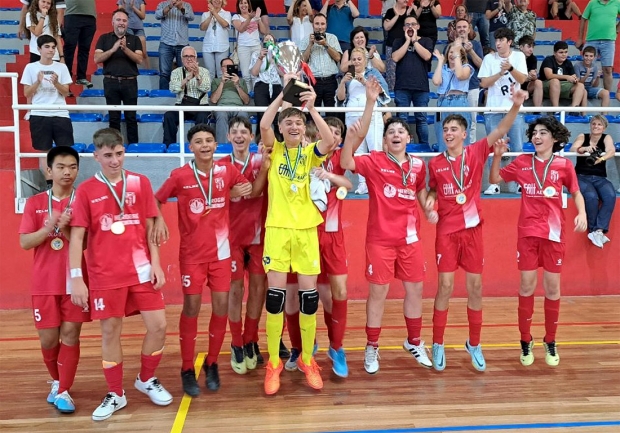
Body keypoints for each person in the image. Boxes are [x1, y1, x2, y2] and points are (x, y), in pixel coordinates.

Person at [69, 128, 172, 421]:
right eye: (108, 155)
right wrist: (77, 277)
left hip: (141, 270)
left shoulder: (140, 183)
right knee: (110, 332)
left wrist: (156, 263)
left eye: (119, 154)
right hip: (105, 275)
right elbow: (77, 237)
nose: (115, 160)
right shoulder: (87, 190)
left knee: (159, 325)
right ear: (97, 156)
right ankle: (116, 393)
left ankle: (146, 378)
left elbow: (151, 228)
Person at [426, 87, 530, 373]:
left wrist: (516, 106)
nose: (447, 133)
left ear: (464, 133)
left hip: (473, 232)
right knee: (445, 287)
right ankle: (437, 342)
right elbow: (432, 190)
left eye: (453, 129)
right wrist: (431, 203)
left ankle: (474, 342)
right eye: (445, 128)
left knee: (475, 288)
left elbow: (501, 129)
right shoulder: (435, 163)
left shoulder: (476, 151)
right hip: (446, 232)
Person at [340, 78, 433, 375]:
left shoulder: (418, 165)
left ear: (408, 139)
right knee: (378, 294)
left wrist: (429, 207)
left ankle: (415, 341)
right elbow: (346, 160)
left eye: (400, 131)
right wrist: (357, 129)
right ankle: (372, 347)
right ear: (384, 140)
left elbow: (420, 194)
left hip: (410, 240)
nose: (395, 134)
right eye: (391, 131)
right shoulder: (374, 161)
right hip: (380, 240)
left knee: (415, 290)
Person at [154, 123, 254, 395]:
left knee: (221, 308)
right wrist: (159, 221)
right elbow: (156, 200)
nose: (205, 145)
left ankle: (211, 363)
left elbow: (246, 188)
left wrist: (229, 193)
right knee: (192, 308)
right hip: (192, 256)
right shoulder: (180, 175)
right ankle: (187, 367)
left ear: (215, 144)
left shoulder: (226, 170)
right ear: (191, 147)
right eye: (199, 141)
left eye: (209, 140)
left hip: (221, 254)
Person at [259, 75, 336, 395]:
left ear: (304, 130)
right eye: (288, 123)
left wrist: (312, 109)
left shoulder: (309, 153)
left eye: (297, 124)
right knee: (275, 299)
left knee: (308, 299)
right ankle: (274, 363)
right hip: (277, 230)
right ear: (282, 128)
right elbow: (264, 124)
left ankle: (307, 359)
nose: (293, 127)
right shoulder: (274, 150)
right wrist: (282, 99)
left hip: (305, 230)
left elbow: (330, 141)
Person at [489, 116, 587, 367]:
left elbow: (576, 192)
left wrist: (582, 214)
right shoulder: (522, 162)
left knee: (553, 289)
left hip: (554, 235)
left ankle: (550, 340)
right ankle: (525, 341)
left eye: (543, 133)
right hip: (528, 234)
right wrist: (498, 155)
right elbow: (494, 180)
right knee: (526, 287)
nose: (536, 137)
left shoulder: (564, 165)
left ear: (554, 138)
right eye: (534, 133)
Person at [19, 146, 89, 414]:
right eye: (61, 167)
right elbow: (25, 242)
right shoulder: (35, 203)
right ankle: (58, 382)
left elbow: (87, 244)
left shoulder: (83, 201)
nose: (67, 172)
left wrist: (69, 228)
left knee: (71, 335)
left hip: (75, 281)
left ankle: (63, 391)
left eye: (72, 167)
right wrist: (48, 227)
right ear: (49, 170)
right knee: (49, 340)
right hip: (44, 282)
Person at [218, 117, 270, 375]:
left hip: (260, 235)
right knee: (236, 291)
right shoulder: (220, 166)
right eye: (234, 132)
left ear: (251, 137)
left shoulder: (261, 161)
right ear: (228, 137)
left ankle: (251, 340)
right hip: (232, 238)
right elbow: (209, 197)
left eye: (244, 132)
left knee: (259, 290)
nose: (239, 136)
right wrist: (230, 194)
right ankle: (236, 342)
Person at [313, 116, 352, 377]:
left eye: (337, 132)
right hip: (307, 235)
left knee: (336, 293)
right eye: (329, 131)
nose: (333, 135)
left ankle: (336, 347)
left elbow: (349, 184)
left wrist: (329, 175)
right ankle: (305, 344)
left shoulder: (339, 159)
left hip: (333, 236)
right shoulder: (306, 154)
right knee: (304, 294)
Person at [478, 27, 527, 195]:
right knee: (493, 147)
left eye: (501, 40)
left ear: (509, 42)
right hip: (493, 109)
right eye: (496, 40)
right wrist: (500, 73)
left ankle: (520, 182)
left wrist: (511, 68)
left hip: (514, 109)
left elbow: (523, 79)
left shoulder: (519, 56)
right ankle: (494, 183)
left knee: (517, 146)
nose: (498, 43)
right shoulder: (489, 58)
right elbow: (483, 83)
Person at [336, 47, 391, 195]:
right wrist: (342, 84)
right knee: (359, 152)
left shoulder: (373, 73)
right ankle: (362, 184)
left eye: (359, 59)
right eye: (353, 59)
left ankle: (378, 182)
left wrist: (365, 81)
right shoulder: (347, 76)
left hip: (372, 115)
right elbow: (340, 98)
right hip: (352, 116)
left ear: (365, 61)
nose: (356, 62)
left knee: (375, 149)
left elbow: (383, 93)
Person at [94, 8, 143, 145]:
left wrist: (125, 49)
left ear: (128, 23)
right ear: (112, 22)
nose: (121, 23)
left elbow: (139, 59)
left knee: (131, 118)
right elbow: (97, 59)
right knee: (113, 118)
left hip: (130, 82)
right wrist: (113, 49)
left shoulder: (134, 39)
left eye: (124, 20)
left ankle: (134, 149)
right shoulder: (104, 38)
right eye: (118, 20)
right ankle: (113, 147)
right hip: (111, 82)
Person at [21, 34, 73, 155]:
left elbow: (66, 93)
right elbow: (26, 93)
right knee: (44, 152)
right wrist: (38, 82)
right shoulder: (30, 67)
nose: (51, 49)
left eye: (53, 47)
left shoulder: (62, 67)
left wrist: (56, 83)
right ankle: (47, 175)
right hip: (39, 113)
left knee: (65, 151)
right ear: (39, 49)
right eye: (47, 46)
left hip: (60, 113)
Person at [569, 115, 616, 248]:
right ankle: (593, 230)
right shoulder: (583, 136)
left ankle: (599, 230)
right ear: (590, 125)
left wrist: (600, 159)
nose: (596, 126)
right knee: (591, 197)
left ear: (604, 127)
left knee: (610, 196)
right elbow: (573, 148)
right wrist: (584, 149)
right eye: (594, 124)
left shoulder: (606, 137)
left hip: (600, 177)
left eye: (599, 124)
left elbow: (611, 151)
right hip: (581, 176)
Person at [392, 15, 433, 147]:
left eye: (413, 24)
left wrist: (414, 41)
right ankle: (401, 147)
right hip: (402, 87)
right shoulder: (398, 42)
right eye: (407, 24)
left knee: (422, 119)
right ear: (404, 28)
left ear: (418, 27)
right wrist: (407, 41)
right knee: (401, 120)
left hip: (421, 88)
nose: (410, 27)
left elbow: (427, 56)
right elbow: (395, 58)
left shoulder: (426, 41)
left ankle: (424, 147)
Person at [163, 46, 211, 147]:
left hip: (201, 106)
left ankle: (200, 146)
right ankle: (169, 146)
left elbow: (206, 88)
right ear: (181, 59)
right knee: (169, 116)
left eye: (191, 56)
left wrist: (197, 76)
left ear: (196, 58)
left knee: (202, 117)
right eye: (186, 56)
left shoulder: (204, 71)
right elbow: (173, 89)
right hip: (182, 105)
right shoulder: (176, 72)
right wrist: (187, 79)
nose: (189, 59)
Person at [432, 40, 473, 152]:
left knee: (462, 139)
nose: (452, 54)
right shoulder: (443, 68)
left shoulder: (467, 67)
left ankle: (462, 166)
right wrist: (440, 62)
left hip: (459, 101)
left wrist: (457, 56)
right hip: (442, 102)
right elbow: (436, 81)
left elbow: (460, 75)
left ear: (461, 55)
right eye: (450, 52)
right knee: (443, 138)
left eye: (455, 52)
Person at [299, 13, 343, 110]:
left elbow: (338, 58)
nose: (319, 27)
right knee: (312, 115)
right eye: (317, 24)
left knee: (332, 114)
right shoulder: (306, 40)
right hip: (312, 82)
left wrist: (325, 44)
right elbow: (302, 62)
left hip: (330, 81)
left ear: (326, 25)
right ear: (312, 25)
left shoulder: (332, 38)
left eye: (322, 24)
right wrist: (310, 45)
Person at [576, 0, 620, 92]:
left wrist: (617, 30)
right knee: (585, 66)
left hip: (609, 41)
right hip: (591, 40)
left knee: (608, 69)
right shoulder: (592, 3)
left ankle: (606, 97)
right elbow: (583, 19)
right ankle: (581, 93)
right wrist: (580, 38)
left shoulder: (617, 2)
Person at [453, 18, 483, 145]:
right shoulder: (451, 46)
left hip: (472, 87)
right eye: (459, 27)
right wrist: (457, 48)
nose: (462, 29)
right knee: (455, 121)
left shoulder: (476, 45)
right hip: (456, 89)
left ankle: (471, 150)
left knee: (472, 121)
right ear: (455, 30)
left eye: (464, 27)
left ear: (469, 29)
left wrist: (470, 51)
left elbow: (481, 65)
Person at [249, 34, 283, 141]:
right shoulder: (256, 54)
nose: (269, 41)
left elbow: (283, 73)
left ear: (274, 42)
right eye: (266, 39)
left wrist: (275, 59)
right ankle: (260, 142)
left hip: (276, 85)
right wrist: (261, 57)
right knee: (262, 115)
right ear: (262, 42)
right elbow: (254, 73)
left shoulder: (279, 54)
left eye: (271, 39)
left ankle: (280, 142)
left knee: (278, 116)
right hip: (261, 84)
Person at [209, 58, 251, 145]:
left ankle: (241, 145)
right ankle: (222, 147)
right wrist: (222, 83)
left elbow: (246, 101)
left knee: (243, 115)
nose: (228, 68)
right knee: (221, 114)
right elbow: (214, 100)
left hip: (238, 107)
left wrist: (237, 85)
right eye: (225, 66)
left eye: (230, 66)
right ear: (221, 68)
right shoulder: (216, 81)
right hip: (222, 107)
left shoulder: (241, 81)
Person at [155, 0, 194, 90]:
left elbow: (191, 17)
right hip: (166, 43)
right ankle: (163, 97)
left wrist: (181, 8)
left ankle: (184, 97)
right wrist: (169, 6)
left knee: (185, 72)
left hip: (182, 44)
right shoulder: (162, 4)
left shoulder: (187, 5)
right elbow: (157, 15)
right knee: (164, 73)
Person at [539, 41, 586, 114]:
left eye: (566, 52)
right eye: (561, 52)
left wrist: (575, 79)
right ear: (555, 53)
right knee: (555, 81)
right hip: (546, 86)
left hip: (563, 87)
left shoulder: (568, 62)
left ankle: (573, 110)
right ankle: (555, 110)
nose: (564, 54)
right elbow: (549, 75)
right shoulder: (548, 60)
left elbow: (573, 76)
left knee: (580, 85)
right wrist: (567, 77)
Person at [232, 0, 269, 91]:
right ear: (238, 6)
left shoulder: (255, 17)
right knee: (246, 75)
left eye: (245, 3)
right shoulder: (236, 17)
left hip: (256, 46)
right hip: (243, 47)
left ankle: (256, 93)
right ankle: (247, 94)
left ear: (249, 5)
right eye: (241, 3)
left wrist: (258, 19)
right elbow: (241, 29)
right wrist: (249, 18)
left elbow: (264, 31)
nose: (243, 5)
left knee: (255, 73)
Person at [62, 0, 96, 88]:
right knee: (69, 47)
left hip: (90, 15)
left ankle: (81, 77)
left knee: (85, 48)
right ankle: (66, 76)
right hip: (72, 14)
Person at [382, 0, 414, 91]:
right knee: (391, 74)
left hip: (408, 46)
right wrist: (396, 16)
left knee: (407, 72)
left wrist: (407, 16)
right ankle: (392, 95)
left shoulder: (410, 10)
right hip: (392, 46)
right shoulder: (390, 11)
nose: (406, 0)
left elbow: (415, 27)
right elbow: (387, 27)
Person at [200, 0, 231, 80]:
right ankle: (210, 92)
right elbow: (203, 28)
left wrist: (214, 13)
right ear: (210, 2)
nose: (217, 1)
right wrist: (211, 15)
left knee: (222, 72)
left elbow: (224, 24)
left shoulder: (227, 13)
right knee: (209, 73)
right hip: (208, 46)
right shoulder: (205, 14)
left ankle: (221, 91)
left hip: (222, 46)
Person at [573, 46, 611, 112]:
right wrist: (586, 75)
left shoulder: (595, 67)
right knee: (583, 91)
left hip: (590, 88)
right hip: (579, 88)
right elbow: (578, 82)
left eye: (591, 56)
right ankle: (584, 116)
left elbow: (594, 85)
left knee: (606, 92)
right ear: (583, 56)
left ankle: (604, 117)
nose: (588, 58)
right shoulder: (577, 65)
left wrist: (597, 77)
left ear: (594, 57)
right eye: (586, 56)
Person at [117, 0, 149, 68]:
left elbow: (143, 16)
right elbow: (119, 15)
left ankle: (148, 70)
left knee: (144, 52)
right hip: (128, 27)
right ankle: (130, 69)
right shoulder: (121, 1)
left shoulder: (140, 1)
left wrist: (133, 7)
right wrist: (124, 7)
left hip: (139, 28)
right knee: (130, 50)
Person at [518, 35, 543, 108]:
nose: (531, 49)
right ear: (521, 47)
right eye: (529, 47)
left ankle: (537, 110)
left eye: (532, 47)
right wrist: (525, 77)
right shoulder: (514, 57)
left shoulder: (533, 58)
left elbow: (533, 75)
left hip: (527, 85)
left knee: (538, 82)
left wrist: (533, 76)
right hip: (515, 85)